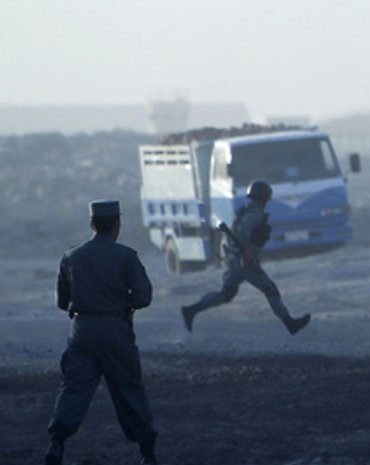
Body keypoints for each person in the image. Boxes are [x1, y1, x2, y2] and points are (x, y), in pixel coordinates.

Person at [46, 200, 158, 465]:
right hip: (115, 329)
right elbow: (143, 297)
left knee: (73, 389)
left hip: (81, 330)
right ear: (117, 225)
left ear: (92, 224)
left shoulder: (71, 257)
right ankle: (147, 452)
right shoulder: (127, 257)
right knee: (129, 390)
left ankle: (57, 443)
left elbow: (62, 301)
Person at [181, 180, 311, 335]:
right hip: (244, 261)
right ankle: (290, 324)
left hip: (236, 259)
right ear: (263, 198)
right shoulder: (254, 213)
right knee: (270, 290)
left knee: (226, 293)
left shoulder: (246, 210)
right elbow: (243, 232)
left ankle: (191, 310)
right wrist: (247, 252)